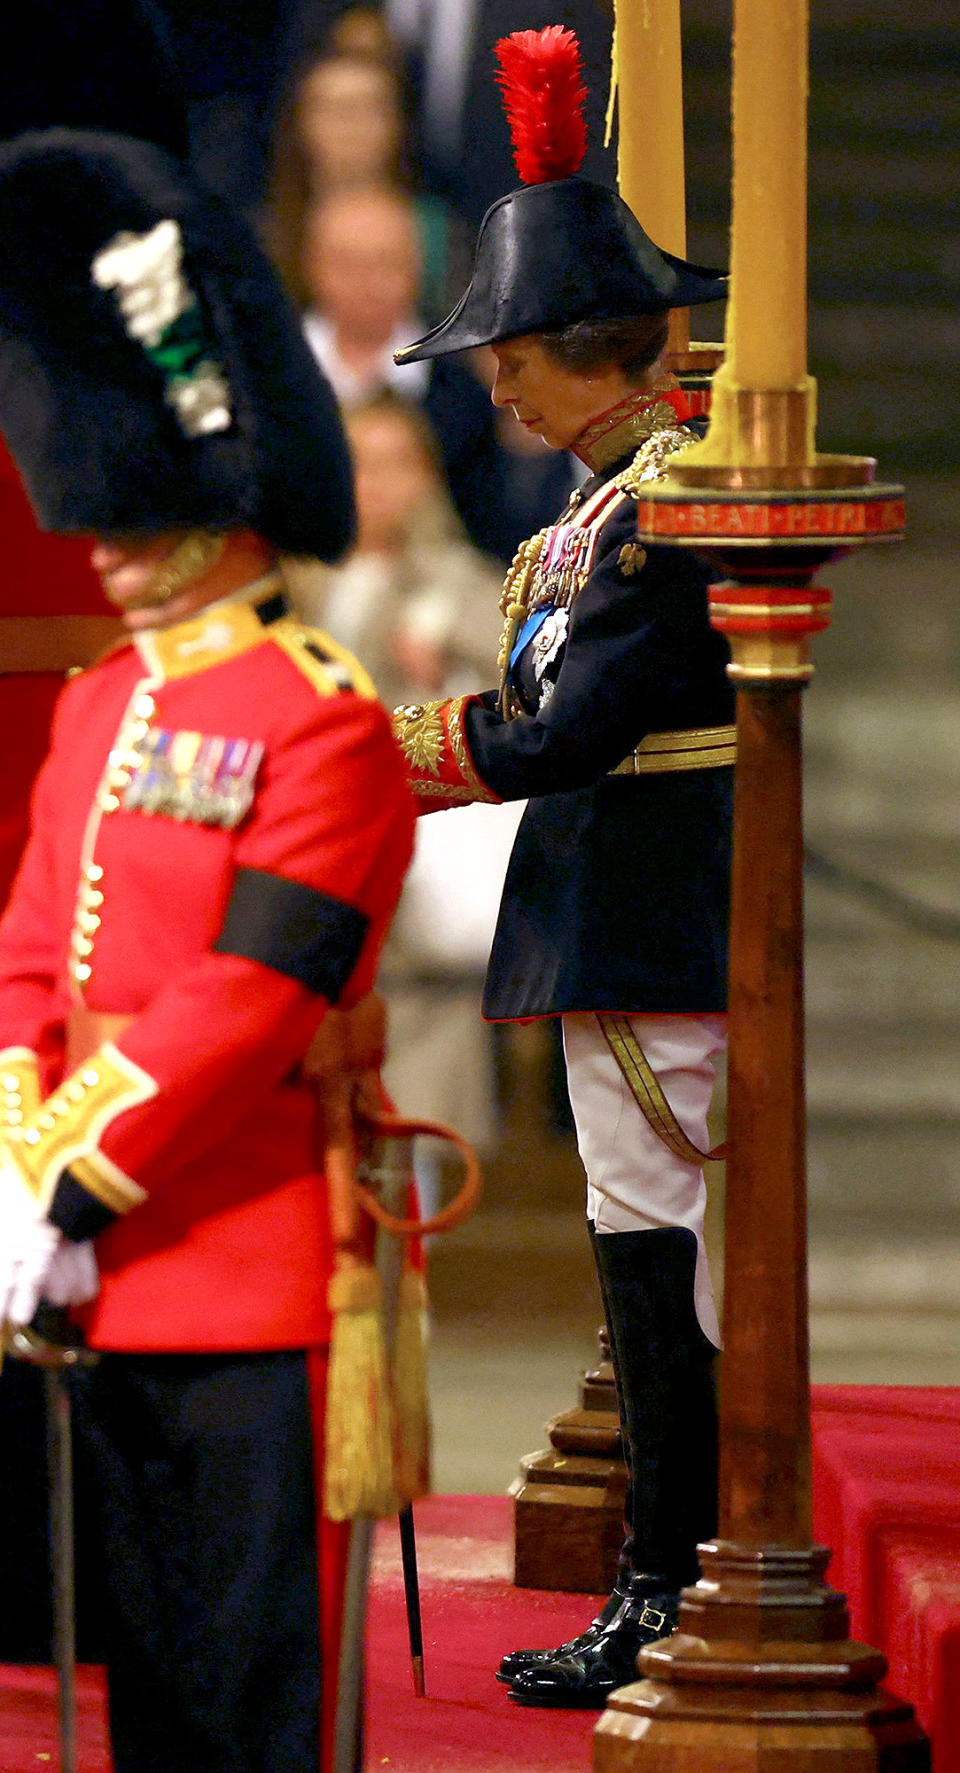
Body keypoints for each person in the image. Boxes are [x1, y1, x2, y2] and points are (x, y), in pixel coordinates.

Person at [0, 91, 413, 1773]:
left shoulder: (324, 719)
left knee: (251, 1700)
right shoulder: (100, 705)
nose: (101, 553)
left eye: (131, 515)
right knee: (146, 1696)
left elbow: (251, 995)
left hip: (251, 1276)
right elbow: (35, 947)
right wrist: (19, 1144)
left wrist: (71, 1168)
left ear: (223, 500)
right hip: (99, 1274)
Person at [390, 27, 733, 1707]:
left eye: (510, 358)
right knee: (638, 1254)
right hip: (620, 913)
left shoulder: (661, 513)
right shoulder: (606, 503)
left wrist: (385, 751)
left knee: (663, 1261)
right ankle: (661, 1578)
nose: (494, 388)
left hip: (655, 913)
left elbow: (560, 727)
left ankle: (669, 1586)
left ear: (571, 354)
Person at [288, 390, 513, 1191]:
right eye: (357, 465)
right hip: (309, 854)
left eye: (393, 464)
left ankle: (422, 1216)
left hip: (420, 878)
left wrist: (447, 650)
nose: (375, 484)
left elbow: (527, 690)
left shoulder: (465, 581)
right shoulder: (292, 583)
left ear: (424, 475)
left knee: (422, 1052)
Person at [264, 38, 471, 327]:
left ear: (398, 123)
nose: (352, 127)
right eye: (334, 109)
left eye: (369, 108)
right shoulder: (266, 236)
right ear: (299, 122)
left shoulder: (438, 231)